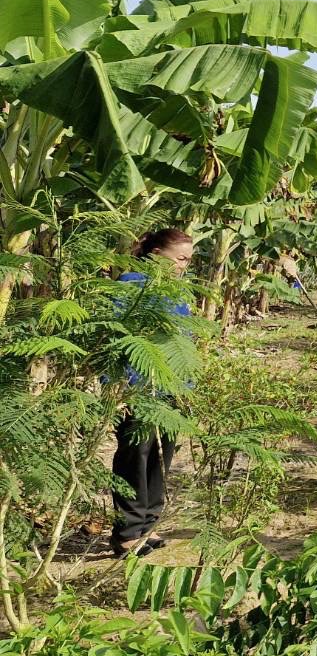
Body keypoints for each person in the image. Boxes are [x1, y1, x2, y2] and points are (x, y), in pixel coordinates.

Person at [111, 228, 194, 557]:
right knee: (135, 457)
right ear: (156, 254)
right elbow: (115, 339)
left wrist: (186, 386)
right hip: (137, 387)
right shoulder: (129, 284)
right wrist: (115, 387)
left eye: (189, 259)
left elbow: (184, 341)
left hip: (171, 388)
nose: (185, 265)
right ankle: (127, 533)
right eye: (181, 258)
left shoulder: (176, 291)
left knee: (161, 457)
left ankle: (148, 523)